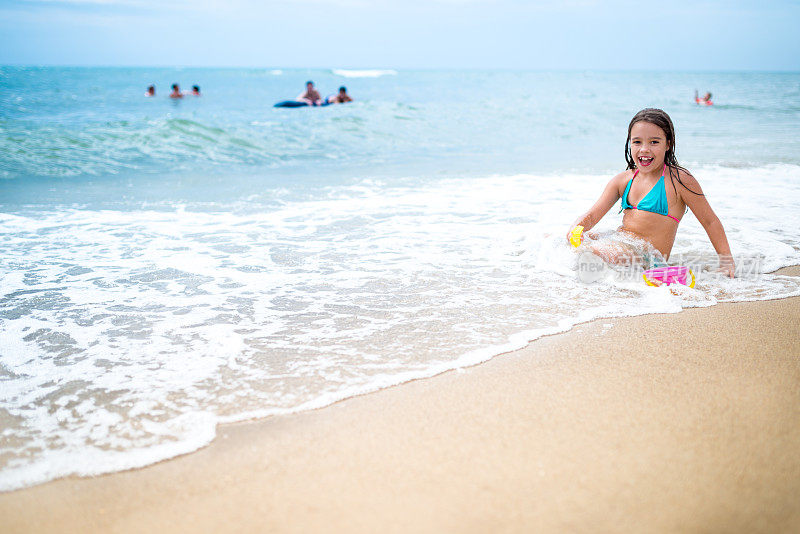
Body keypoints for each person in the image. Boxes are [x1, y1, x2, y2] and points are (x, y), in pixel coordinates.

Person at [567, 108, 734, 277]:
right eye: (637, 142)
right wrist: (576, 229)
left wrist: (727, 262)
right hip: (621, 240)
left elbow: (709, 221)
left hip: (648, 257)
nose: (644, 149)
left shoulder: (679, 180)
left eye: (654, 142)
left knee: (589, 253)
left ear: (668, 144)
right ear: (629, 143)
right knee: (561, 242)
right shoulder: (623, 180)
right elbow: (592, 215)